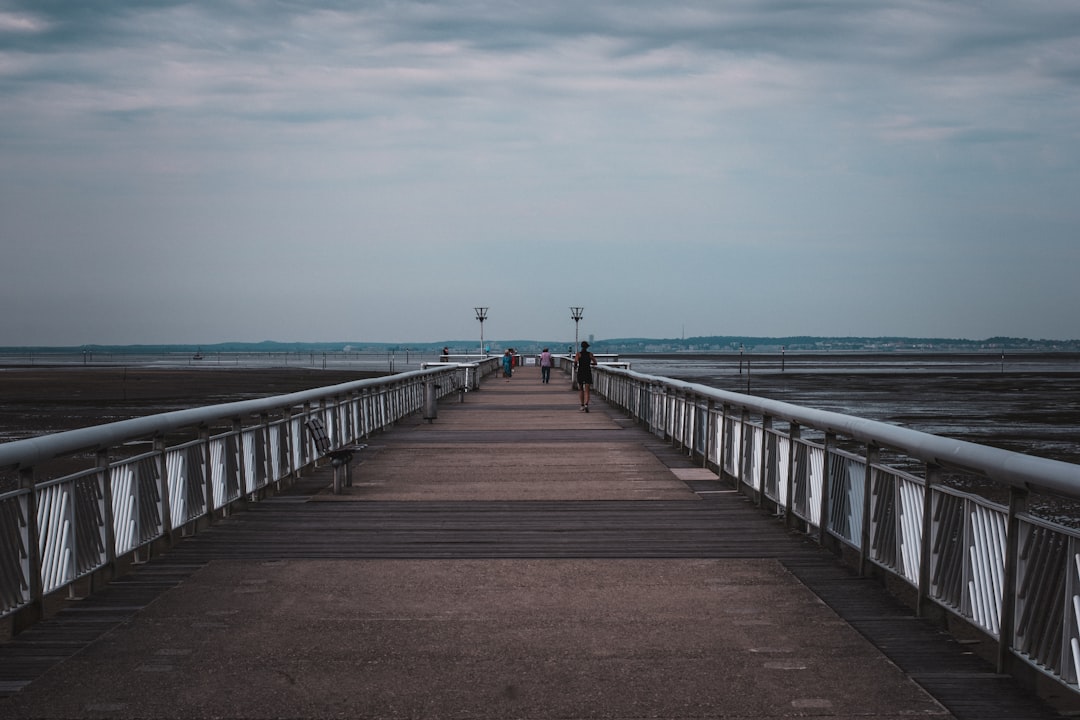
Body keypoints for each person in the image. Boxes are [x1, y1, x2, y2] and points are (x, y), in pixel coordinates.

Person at [575, 341, 597, 411]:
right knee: (587, 390)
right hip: (587, 371)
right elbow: (595, 362)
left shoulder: (578, 354)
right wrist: (590, 364)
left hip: (581, 371)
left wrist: (575, 367)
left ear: (581, 347)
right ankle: (586, 404)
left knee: (581, 389)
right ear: (587, 347)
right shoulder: (590, 354)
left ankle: (582, 405)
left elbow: (575, 362)